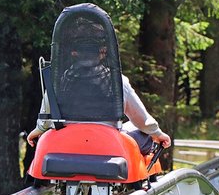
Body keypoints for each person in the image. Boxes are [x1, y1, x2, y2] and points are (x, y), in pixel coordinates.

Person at [26, 20, 171, 153]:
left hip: (68, 143)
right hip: (108, 145)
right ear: (103, 52)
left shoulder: (59, 82)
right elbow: (141, 119)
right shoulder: (118, 82)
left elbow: (46, 114)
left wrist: (38, 130)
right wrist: (157, 133)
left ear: (73, 52)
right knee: (143, 135)